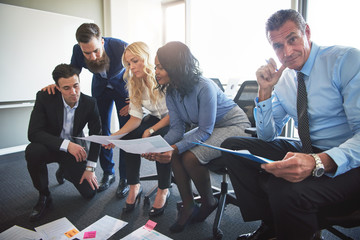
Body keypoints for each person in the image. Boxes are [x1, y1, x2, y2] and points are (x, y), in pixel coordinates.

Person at [221, 9, 360, 240]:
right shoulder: (284, 79)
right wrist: (265, 91)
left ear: (306, 32)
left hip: (349, 160)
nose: (286, 52)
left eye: (292, 39)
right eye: (277, 45)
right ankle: (273, 224)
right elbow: (266, 136)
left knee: (284, 189)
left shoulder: (344, 61)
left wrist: (319, 161)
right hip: (310, 149)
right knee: (234, 147)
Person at [143, 41, 251, 233]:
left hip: (234, 126)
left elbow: (204, 131)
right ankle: (189, 204)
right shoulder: (171, 91)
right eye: (155, 67)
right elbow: (176, 130)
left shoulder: (204, 87)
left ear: (174, 66)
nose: (156, 72)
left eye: (160, 67)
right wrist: (157, 146)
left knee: (190, 156)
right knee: (176, 153)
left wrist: (173, 148)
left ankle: (209, 201)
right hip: (208, 128)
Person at [42, 23, 130, 197]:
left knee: (124, 133)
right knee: (101, 131)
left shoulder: (121, 46)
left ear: (102, 41)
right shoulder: (77, 50)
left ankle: (125, 178)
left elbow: (137, 70)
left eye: (95, 51)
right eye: (86, 53)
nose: (92, 57)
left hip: (124, 91)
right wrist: (59, 82)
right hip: (101, 89)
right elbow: (72, 71)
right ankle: (109, 173)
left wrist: (135, 98)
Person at [25, 64, 102, 221]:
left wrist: (90, 168)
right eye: (66, 88)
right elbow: (33, 133)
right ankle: (44, 195)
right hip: (49, 147)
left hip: (74, 152)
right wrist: (67, 145)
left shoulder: (90, 103)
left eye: (76, 86)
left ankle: (64, 170)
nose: (73, 92)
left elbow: (96, 136)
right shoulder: (44, 98)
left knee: (89, 193)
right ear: (57, 88)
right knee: (32, 151)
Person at [105, 42, 171, 216]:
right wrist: (115, 136)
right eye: (128, 64)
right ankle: (134, 185)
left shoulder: (163, 76)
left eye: (135, 61)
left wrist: (149, 131)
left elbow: (175, 114)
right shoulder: (134, 82)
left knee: (158, 139)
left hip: (175, 119)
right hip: (157, 118)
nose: (131, 67)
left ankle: (163, 189)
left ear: (146, 58)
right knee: (129, 137)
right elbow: (135, 118)